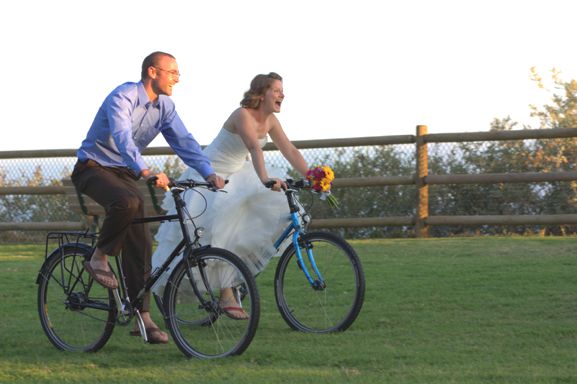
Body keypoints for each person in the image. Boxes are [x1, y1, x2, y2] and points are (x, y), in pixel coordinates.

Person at [71, 51, 225, 344]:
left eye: (178, 74)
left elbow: (184, 140)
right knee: (127, 203)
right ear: (153, 72)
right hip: (93, 167)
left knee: (141, 242)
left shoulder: (165, 106)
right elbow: (122, 137)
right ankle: (99, 258)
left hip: (125, 174)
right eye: (173, 72)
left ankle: (142, 317)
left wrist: (208, 172)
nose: (177, 79)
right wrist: (145, 170)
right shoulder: (123, 96)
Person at [152, 72, 309, 319]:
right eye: (277, 90)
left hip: (239, 174)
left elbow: (288, 149)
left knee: (255, 222)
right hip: (211, 175)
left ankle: (238, 277)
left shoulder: (270, 121)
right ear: (261, 94)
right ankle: (226, 295)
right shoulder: (242, 115)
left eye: (282, 90)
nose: (282, 95)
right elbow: (254, 147)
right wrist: (265, 179)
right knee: (222, 231)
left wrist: (314, 175)